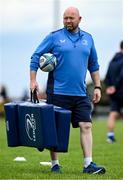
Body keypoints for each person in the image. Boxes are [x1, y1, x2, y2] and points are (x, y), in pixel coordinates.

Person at [30, 7, 106, 174]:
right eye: (65, 18)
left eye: (71, 18)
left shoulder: (88, 39)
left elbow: (93, 65)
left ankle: (88, 165)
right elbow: (35, 56)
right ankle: (55, 164)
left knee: (86, 125)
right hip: (57, 92)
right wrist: (33, 80)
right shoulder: (54, 37)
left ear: (80, 19)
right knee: (55, 129)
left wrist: (98, 86)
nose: (68, 21)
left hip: (80, 93)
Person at [105, 41, 123, 143]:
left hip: (113, 92)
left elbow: (107, 76)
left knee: (113, 113)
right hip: (120, 89)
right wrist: (115, 86)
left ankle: (110, 136)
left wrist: (110, 87)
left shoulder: (112, 61)